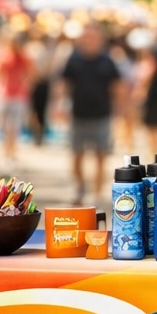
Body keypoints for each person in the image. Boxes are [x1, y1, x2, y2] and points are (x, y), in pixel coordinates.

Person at [58, 24, 121, 204]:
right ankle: (79, 187)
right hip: (79, 115)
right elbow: (64, 83)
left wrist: (121, 110)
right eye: (86, 37)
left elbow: (117, 86)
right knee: (77, 154)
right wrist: (60, 105)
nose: (88, 41)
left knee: (101, 155)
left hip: (102, 114)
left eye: (92, 37)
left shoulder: (107, 61)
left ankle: (96, 191)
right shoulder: (74, 59)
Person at [0, 30, 33, 162]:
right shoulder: (3, 56)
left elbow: (32, 72)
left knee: (14, 127)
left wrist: (24, 83)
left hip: (18, 96)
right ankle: (6, 152)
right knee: (5, 126)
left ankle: (12, 152)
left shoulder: (23, 57)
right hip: (5, 95)